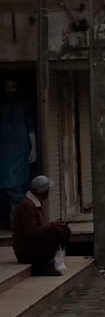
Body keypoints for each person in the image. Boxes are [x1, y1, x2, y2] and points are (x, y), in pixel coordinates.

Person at [12, 176, 71, 276]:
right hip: (26, 252)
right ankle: (39, 266)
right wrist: (51, 225)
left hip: (32, 246)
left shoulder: (35, 204)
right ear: (43, 192)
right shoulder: (27, 206)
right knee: (55, 232)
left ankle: (50, 260)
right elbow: (31, 233)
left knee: (63, 229)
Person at [0, 78, 36, 225]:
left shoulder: (24, 105)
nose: (10, 90)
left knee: (20, 183)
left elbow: (31, 127)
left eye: (13, 86)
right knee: (5, 182)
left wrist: (34, 148)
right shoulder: (1, 105)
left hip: (21, 149)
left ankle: (18, 222)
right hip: (3, 149)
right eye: (8, 86)